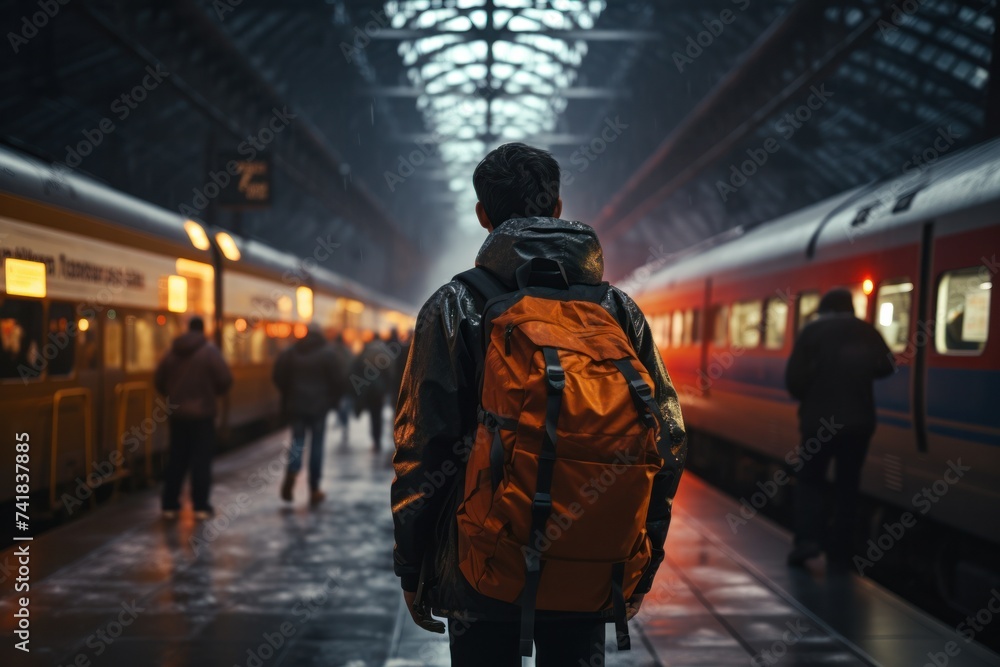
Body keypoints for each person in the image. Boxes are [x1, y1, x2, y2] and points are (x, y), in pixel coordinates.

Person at [391, 143, 687, 666]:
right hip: (589, 560)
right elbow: (667, 438)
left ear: (483, 215)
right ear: (557, 207)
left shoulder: (454, 306)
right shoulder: (617, 309)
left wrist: (413, 567)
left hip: (482, 561)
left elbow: (424, 447)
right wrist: (643, 560)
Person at [785, 288, 895, 570]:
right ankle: (841, 551)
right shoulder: (867, 331)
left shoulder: (812, 332)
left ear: (825, 309)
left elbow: (793, 380)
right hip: (858, 424)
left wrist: (813, 392)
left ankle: (808, 541)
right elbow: (886, 366)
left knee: (811, 480)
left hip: (818, 422)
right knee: (848, 484)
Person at [154, 316, 232, 520]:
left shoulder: (171, 352)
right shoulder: (210, 351)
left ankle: (169, 505)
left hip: (177, 415)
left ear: (187, 329)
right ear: (203, 329)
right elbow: (225, 379)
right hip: (203, 415)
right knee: (201, 461)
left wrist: (173, 396)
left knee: (176, 459)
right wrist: (211, 392)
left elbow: (159, 380)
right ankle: (200, 507)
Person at [273, 322, 347, 506]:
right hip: (319, 407)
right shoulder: (328, 354)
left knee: (297, 442)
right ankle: (314, 489)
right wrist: (332, 400)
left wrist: (288, 392)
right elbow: (339, 381)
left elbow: (278, 375)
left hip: (296, 406)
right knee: (316, 446)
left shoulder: (291, 352)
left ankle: (292, 470)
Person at [350, 336, 394, 451]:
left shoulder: (366, 351)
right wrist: (388, 389)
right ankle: (378, 438)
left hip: (368, 389)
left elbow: (355, 368)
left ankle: (375, 438)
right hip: (380, 390)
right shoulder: (385, 353)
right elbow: (390, 373)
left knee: (372, 414)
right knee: (377, 414)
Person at [331, 332, 355, 445]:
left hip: (336, 384)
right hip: (347, 383)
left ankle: (341, 419)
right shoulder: (347, 352)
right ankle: (345, 423)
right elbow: (353, 365)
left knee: (338, 403)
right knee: (345, 403)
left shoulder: (331, 352)